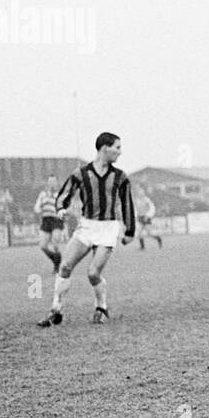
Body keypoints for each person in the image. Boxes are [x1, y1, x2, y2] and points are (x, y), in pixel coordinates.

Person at [37, 132, 136, 327]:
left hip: (108, 228)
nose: (120, 152)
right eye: (117, 147)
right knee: (65, 267)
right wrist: (61, 208)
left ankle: (102, 308)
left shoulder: (120, 177)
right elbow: (64, 194)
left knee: (93, 273)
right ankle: (55, 310)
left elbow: (127, 204)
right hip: (87, 226)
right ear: (104, 148)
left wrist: (129, 231)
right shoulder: (81, 173)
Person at [33, 175, 64, 271]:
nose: (52, 184)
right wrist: (39, 210)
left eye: (54, 182)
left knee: (55, 243)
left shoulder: (60, 195)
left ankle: (57, 264)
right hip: (46, 220)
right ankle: (56, 260)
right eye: (50, 182)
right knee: (43, 246)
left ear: (57, 183)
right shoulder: (43, 194)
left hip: (56, 220)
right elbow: (37, 207)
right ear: (47, 183)